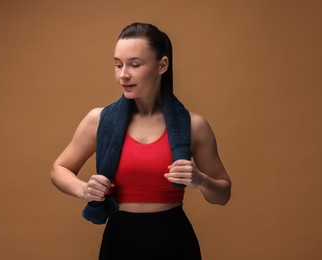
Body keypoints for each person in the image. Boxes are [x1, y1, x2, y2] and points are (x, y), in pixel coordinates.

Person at [51, 22, 231, 260]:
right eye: (118, 65)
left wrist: (201, 180)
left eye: (134, 64)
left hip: (176, 244)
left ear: (162, 65)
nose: (123, 74)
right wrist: (83, 189)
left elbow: (223, 194)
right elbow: (58, 169)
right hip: (119, 243)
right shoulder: (99, 120)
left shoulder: (193, 125)